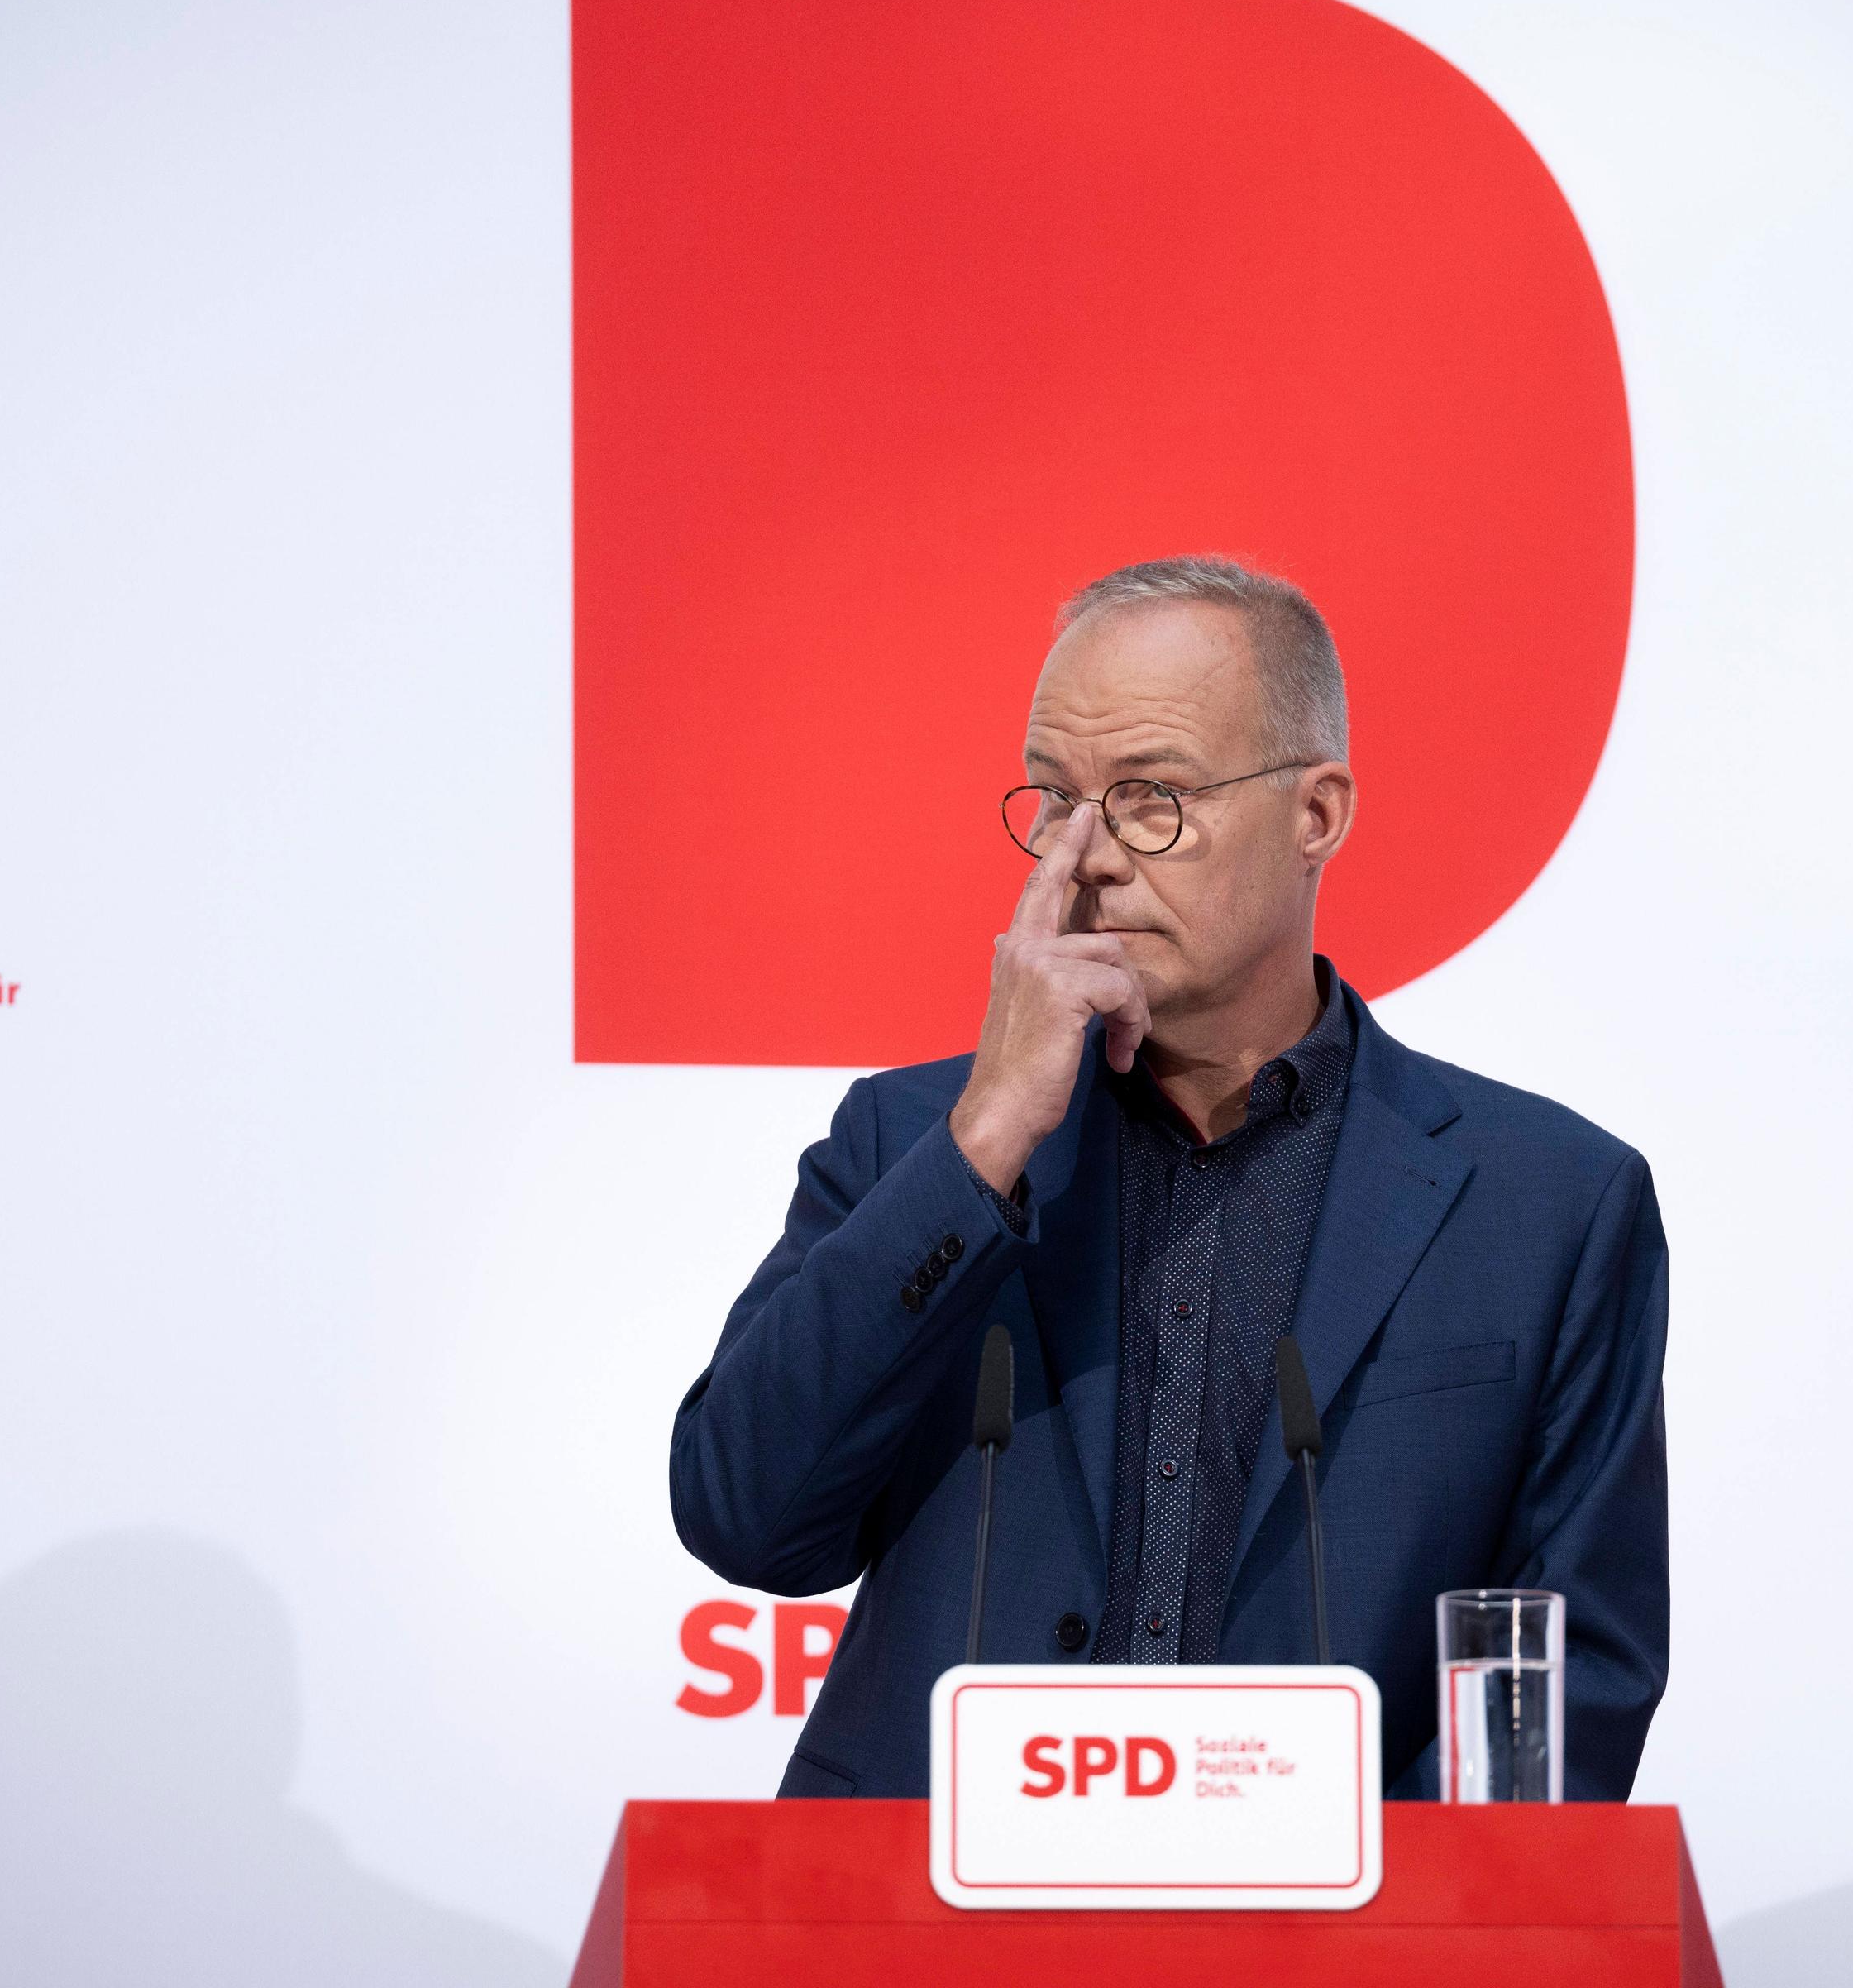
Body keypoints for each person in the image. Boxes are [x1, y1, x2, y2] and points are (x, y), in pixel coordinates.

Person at [671, 556, 1669, 1800]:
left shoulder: (1550, 1204)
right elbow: (746, 1516)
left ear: (1317, 815)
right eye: (1055, 798)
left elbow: (1565, 1689)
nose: (1086, 854)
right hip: (934, 1945)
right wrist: (985, 1142)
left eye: (1153, 797)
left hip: (1339, 1960)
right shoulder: (914, 1141)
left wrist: (1383, 1944)